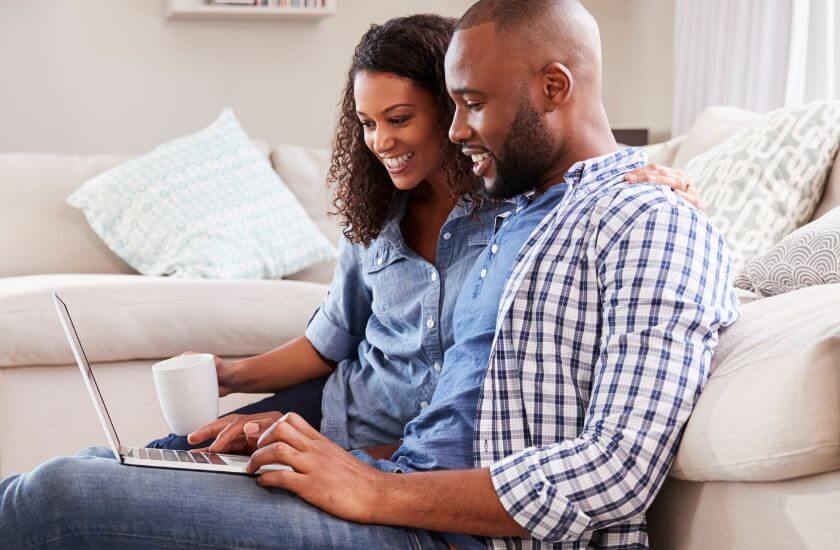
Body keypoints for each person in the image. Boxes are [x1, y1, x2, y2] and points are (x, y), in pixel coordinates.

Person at [0, 3, 735, 549]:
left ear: (552, 87)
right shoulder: (515, 211)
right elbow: (388, 375)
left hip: (442, 528)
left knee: (57, 499)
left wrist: (375, 487)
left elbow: (616, 472)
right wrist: (334, 456)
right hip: (392, 493)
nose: (452, 131)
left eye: (469, 105)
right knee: (95, 466)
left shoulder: (647, 218)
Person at [148, 13, 697, 458]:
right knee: (167, 454)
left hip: (417, 453)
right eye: (366, 123)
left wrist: (661, 183)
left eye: (399, 118)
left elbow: (590, 180)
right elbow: (329, 342)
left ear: (449, 106)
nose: (380, 141)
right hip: (339, 411)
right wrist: (228, 375)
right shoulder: (376, 217)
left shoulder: (519, 202)